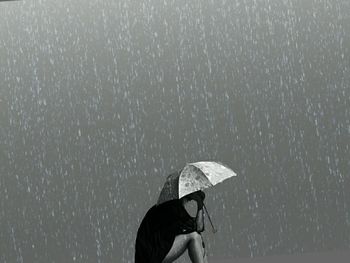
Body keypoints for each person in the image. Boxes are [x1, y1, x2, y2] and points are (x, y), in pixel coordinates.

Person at [135, 190, 208, 263]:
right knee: (194, 236)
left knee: (197, 237)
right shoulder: (173, 206)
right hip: (151, 257)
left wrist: (200, 203)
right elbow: (199, 227)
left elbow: (196, 227)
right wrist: (200, 204)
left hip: (152, 254)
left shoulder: (171, 205)